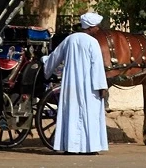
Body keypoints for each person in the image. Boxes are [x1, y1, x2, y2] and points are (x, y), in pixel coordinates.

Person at [43, 11, 109, 153]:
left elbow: (55, 57)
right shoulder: (93, 42)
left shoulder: (69, 39)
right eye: (97, 26)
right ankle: (89, 147)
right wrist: (102, 86)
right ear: (91, 27)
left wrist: (45, 66)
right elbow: (97, 65)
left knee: (71, 114)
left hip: (71, 84)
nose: (98, 29)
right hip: (88, 85)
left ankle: (70, 146)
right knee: (90, 114)